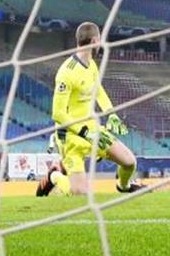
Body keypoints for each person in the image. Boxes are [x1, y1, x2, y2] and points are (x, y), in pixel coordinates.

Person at [36, 22, 144, 196]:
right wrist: (84, 132)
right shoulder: (67, 72)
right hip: (70, 136)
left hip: (93, 129)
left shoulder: (91, 64)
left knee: (129, 162)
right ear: (95, 40)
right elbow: (58, 114)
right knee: (80, 193)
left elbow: (98, 89)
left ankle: (124, 187)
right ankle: (54, 176)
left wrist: (111, 114)